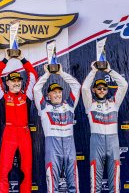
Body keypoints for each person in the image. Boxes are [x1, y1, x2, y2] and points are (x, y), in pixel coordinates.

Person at [0, 50, 38, 193]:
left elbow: (33, 75)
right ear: (7, 83)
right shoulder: (2, 96)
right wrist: (6, 59)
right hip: (9, 134)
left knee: (26, 170)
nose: (17, 83)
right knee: (4, 170)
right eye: (13, 81)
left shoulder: (26, 96)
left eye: (19, 81)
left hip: (24, 133)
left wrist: (22, 58)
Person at [33, 64, 81, 193]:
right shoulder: (44, 107)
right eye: (54, 92)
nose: (58, 94)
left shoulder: (69, 105)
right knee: (52, 182)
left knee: (73, 182)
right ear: (49, 95)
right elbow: (37, 89)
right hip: (52, 144)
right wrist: (47, 74)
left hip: (69, 144)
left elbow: (77, 86)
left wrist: (61, 72)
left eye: (59, 92)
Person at [82, 62, 128, 193]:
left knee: (115, 185)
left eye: (104, 88)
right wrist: (93, 71)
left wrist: (109, 70)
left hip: (113, 143)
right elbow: (85, 88)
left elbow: (124, 85)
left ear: (107, 90)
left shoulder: (114, 103)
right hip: (97, 143)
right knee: (95, 185)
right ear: (94, 90)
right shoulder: (90, 104)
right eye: (99, 88)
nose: (102, 90)